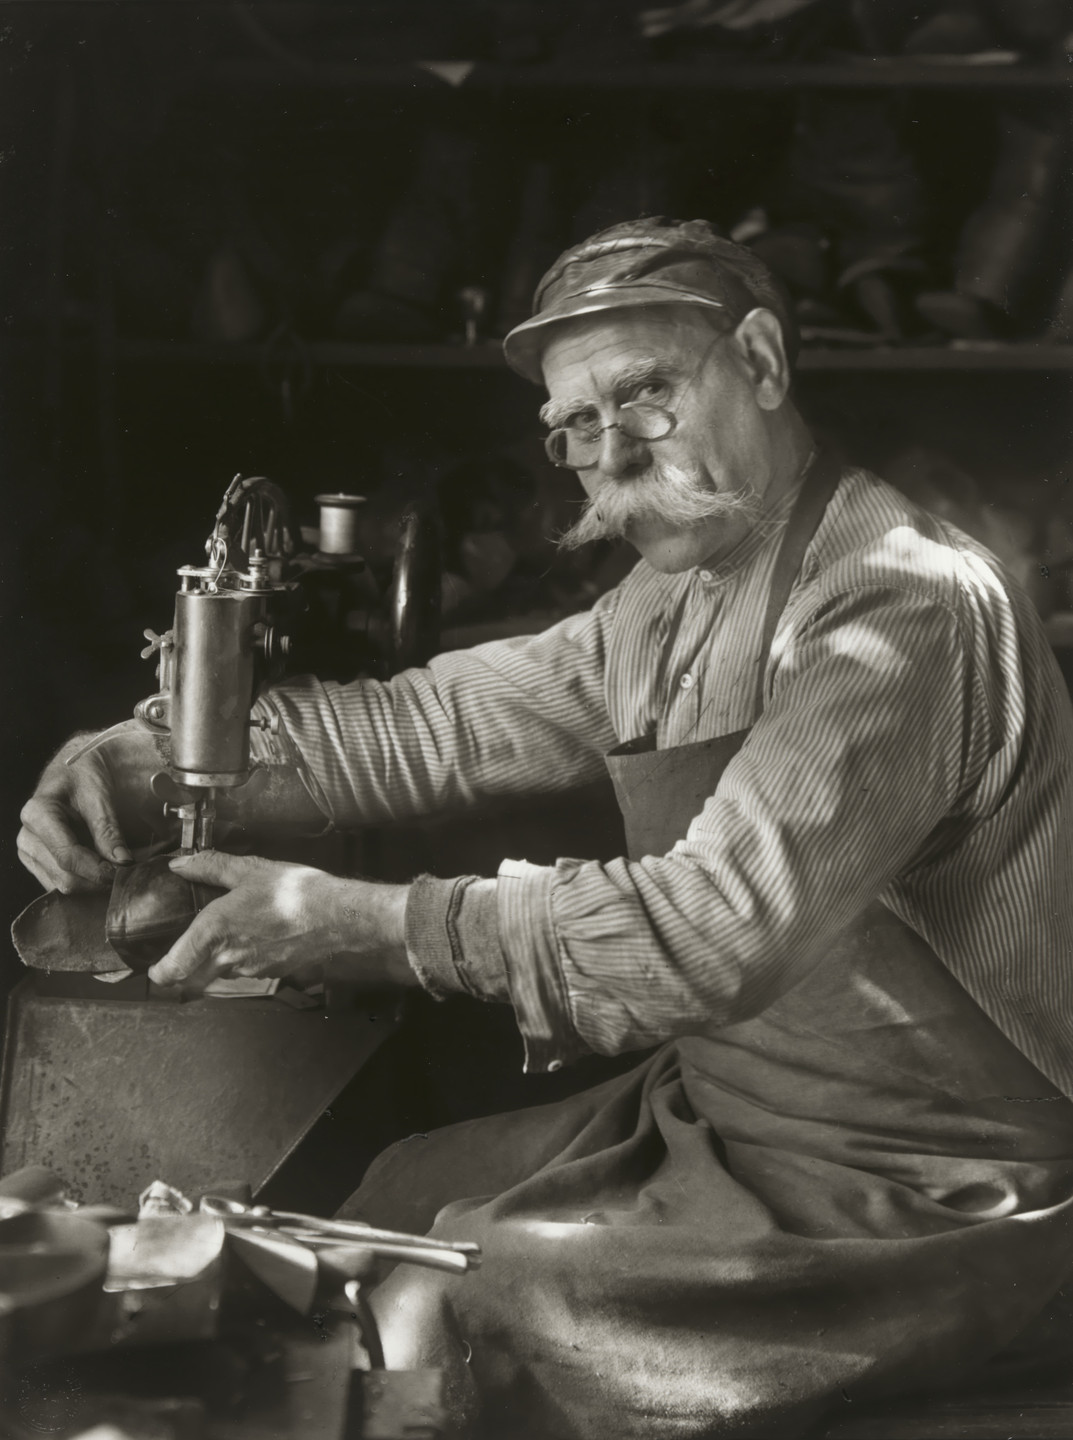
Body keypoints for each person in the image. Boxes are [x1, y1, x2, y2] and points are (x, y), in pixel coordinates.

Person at [17, 217, 1073, 1440]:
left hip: (929, 1181)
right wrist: (143, 760)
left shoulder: (894, 601)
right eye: (574, 425)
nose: (609, 451)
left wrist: (365, 926)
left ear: (760, 361)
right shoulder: (670, 597)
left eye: (645, 394)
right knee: (399, 1194)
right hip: (734, 1114)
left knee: (455, 1306)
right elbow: (433, 726)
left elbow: (711, 930)